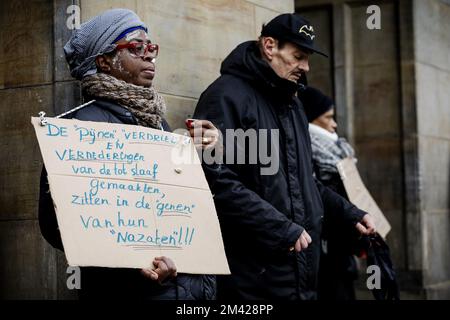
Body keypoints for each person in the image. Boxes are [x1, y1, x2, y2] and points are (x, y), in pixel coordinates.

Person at [193, 13, 376, 300]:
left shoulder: (293, 105)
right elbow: (214, 180)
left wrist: (348, 213)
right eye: (298, 56)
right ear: (269, 46)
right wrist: (279, 228)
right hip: (253, 275)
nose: (305, 67)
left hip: (301, 269)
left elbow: (305, 182)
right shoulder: (225, 95)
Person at [39, 8, 217, 300]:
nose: (149, 55)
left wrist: (206, 156)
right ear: (104, 61)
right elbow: (54, 224)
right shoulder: (77, 127)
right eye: (136, 47)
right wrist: (133, 260)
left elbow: (177, 202)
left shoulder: (157, 121)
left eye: (151, 47)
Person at [299, 86, 359, 300]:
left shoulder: (339, 150)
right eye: (328, 117)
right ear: (312, 119)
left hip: (341, 241)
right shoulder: (308, 148)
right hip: (323, 242)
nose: (334, 125)